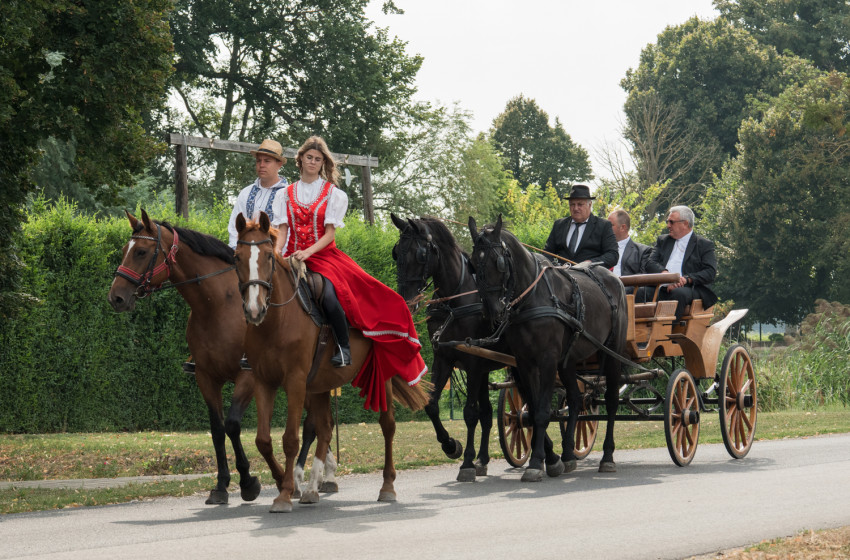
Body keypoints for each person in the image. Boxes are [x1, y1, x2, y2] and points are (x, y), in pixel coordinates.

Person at [273, 136, 427, 411]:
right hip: (290, 256)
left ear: (323, 164)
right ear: (300, 160)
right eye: (309, 157)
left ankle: (343, 348)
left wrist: (307, 253)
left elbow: (330, 233)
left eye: (318, 159)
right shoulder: (284, 194)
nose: (313, 162)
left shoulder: (333, 194)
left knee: (331, 295)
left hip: (323, 257)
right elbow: (283, 231)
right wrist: (276, 256)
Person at [645, 205, 718, 318]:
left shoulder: (703, 245)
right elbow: (650, 263)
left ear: (685, 223)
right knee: (639, 292)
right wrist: (666, 276)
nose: (668, 225)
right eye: (667, 221)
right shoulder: (663, 240)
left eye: (671, 222)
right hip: (662, 286)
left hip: (689, 288)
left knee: (678, 293)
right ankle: (635, 332)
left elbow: (710, 272)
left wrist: (686, 279)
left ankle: (666, 332)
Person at [227, 139, 289, 248]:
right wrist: (236, 250)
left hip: (275, 256)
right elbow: (234, 227)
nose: (261, 165)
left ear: (279, 164)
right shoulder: (246, 193)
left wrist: (277, 256)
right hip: (245, 254)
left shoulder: (287, 194)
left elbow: (288, 233)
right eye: (258, 161)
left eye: (267, 161)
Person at [544, 184, 618, 268]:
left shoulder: (603, 226)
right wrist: (553, 266)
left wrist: (590, 263)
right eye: (572, 204)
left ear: (589, 205)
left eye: (580, 204)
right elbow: (547, 253)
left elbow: (613, 255)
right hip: (561, 277)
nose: (575, 208)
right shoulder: (559, 225)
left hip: (590, 277)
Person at [608, 209, 651, 278]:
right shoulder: (600, 249)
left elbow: (643, 278)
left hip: (627, 287)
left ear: (622, 227)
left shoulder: (643, 251)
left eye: (610, 225)